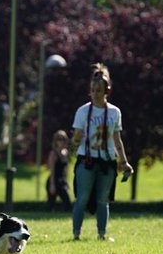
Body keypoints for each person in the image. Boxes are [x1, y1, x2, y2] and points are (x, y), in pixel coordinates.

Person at [70, 63, 133, 240]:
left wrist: (123, 160)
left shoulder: (114, 112)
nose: (95, 94)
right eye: (93, 90)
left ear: (107, 91)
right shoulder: (82, 111)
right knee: (81, 198)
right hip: (87, 160)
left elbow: (117, 139)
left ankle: (102, 234)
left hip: (107, 162)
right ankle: (76, 234)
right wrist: (74, 142)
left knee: (103, 200)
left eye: (99, 90)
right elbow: (76, 138)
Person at [45, 130, 72, 211]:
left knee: (68, 203)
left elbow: (66, 169)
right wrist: (52, 185)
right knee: (51, 204)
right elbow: (52, 170)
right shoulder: (53, 154)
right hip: (54, 180)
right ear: (55, 141)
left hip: (62, 181)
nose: (61, 141)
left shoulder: (65, 153)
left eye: (63, 139)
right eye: (59, 139)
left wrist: (66, 181)